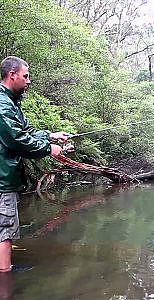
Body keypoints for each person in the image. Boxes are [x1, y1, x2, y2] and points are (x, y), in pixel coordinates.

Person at [0, 56, 71, 273]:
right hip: (2, 179)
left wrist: (50, 136)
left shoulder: (10, 102)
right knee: (5, 228)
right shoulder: (3, 104)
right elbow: (16, 139)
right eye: (25, 76)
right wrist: (49, 149)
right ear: (12, 75)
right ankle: (6, 275)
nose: (28, 81)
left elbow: (26, 131)